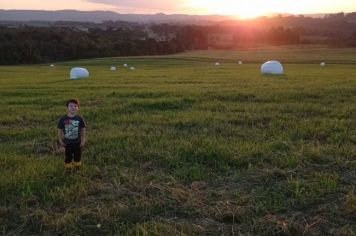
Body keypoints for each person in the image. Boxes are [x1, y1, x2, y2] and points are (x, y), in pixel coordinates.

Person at [57, 99, 86, 173]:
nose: (73, 108)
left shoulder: (79, 119)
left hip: (77, 142)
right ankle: (68, 170)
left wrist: (83, 140)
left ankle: (77, 169)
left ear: (78, 108)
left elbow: (83, 129)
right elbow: (59, 130)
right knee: (68, 157)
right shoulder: (63, 119)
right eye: (71, 106)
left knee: (77, 157)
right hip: (67, 143)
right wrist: (60, 140)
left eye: (75, 106)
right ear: (67, 107)